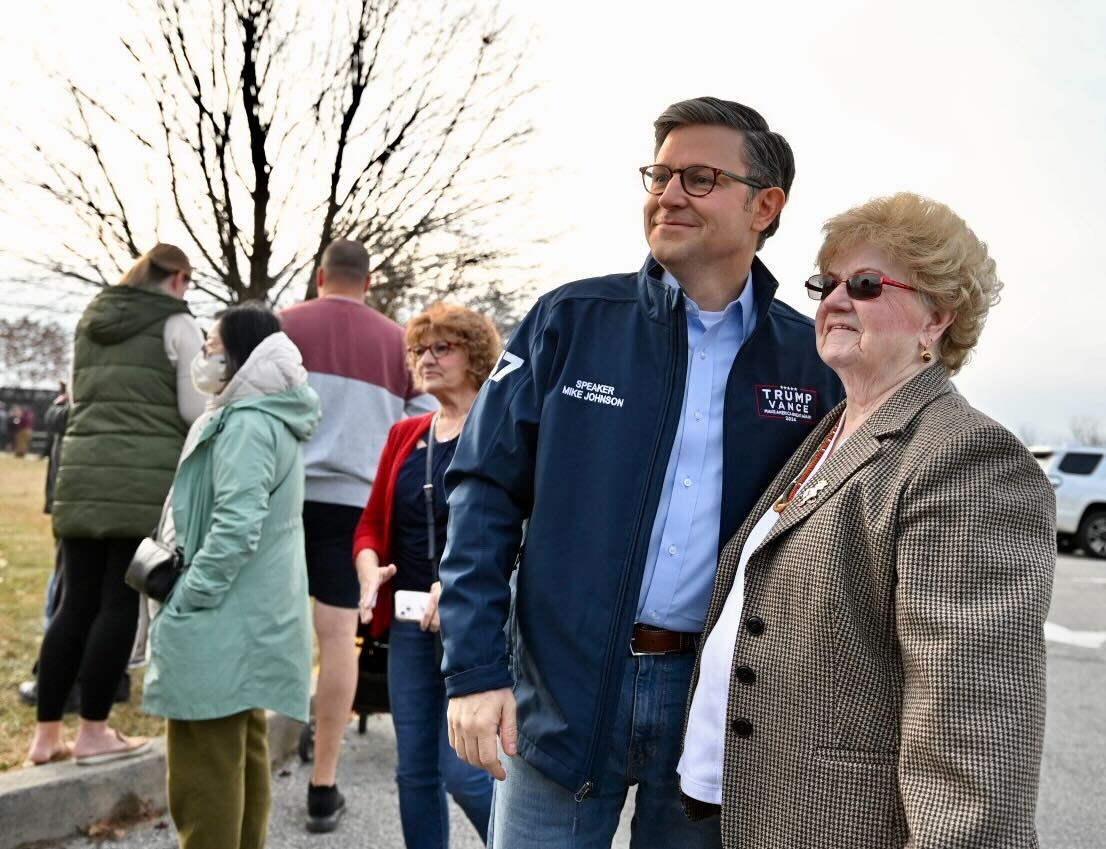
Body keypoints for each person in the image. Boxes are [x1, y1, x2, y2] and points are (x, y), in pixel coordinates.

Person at [438, 96, 843, 848]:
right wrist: (473, 671)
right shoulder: (569, 321)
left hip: (717, 706)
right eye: (659, 174)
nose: (667, 194)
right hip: (560, 694)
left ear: (765, 205)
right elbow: (483, 493)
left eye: (698, 177)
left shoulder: (814, 361)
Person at [680, 192, 1055, 847]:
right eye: (827, 283)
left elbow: (973, 713)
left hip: (840, 826)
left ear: (937, 316)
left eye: (866, 283)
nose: (833, 300)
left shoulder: (966, 455)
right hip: (749, 805)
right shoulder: (831, 430)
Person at [143, 303, 321, 849]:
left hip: (218, 618)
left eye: (213, 345)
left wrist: (188, 596)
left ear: (242, 355)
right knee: (240, 755)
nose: (204, 355)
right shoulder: (266, 418)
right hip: (247, 616)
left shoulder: (244, 424)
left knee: (204, 776)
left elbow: (235, 527)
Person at [25, 243, 205, 768]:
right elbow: (193, 407)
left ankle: (44, 737)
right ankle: (95, 732)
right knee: (119, 601)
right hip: (140, 480)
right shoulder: (178, 325)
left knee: (73, 603)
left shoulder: (91, 319)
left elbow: (78, 399)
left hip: (82, 475)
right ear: (176, 279)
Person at [281, 237, 435, 831]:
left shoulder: (282, 325)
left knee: (275, 623)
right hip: (353, 504)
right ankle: (323, 784)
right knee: (338, 634)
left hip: (284, 495)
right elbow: (421, 419)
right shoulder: (398, 341)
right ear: (367, 283)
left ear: (320, 276)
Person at [354, 303, 499, 848]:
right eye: (419, 350)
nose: (427, 359)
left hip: (474, 623)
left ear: (475, 355)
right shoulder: (405, 434)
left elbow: (524, 526)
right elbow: (369, 525)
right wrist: (370, 569)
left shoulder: (501, 426)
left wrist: (457, 587)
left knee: (464, 771)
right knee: (414, 771)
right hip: (409, 626)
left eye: (443, 348)